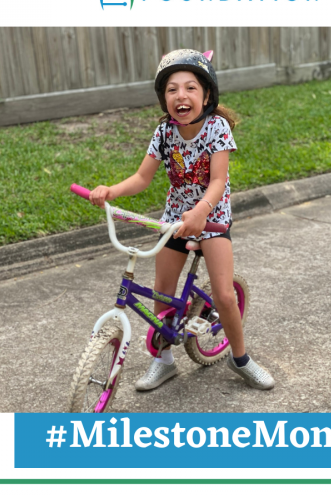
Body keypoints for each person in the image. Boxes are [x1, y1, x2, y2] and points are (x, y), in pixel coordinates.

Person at [89, 49, 274, 391]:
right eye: (172, 89)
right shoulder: (164, 133)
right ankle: (164, 361)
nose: (181, 95)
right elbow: (142, 178)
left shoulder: (216, 128)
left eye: (190, 87)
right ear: (164, 99)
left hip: (212, 217)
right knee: (163, 291)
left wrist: (202, 210)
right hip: (175, 219)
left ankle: (241, 358)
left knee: (224, 295)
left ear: (206, 95)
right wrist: (110, 191)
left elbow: (218, 181)